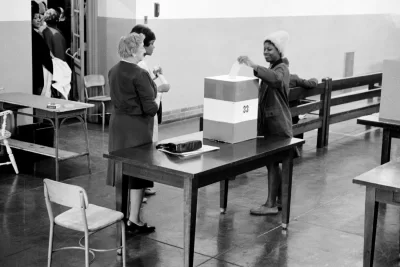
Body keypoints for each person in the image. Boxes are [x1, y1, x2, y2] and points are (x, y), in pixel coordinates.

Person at [106, 32, 162, 233]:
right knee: (138, 172)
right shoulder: (140, 73)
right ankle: (134, 219)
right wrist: (159, 97)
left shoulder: (113, 71)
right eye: (140, 47)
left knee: (122, 170)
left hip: (118, 124)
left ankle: (121, 215)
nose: (143, 50)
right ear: (132, 50)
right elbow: (150, 108)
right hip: (137, 128)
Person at [238, 30, 292, 215]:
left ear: (279, 50)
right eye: (264, 49)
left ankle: (270, 204)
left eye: (270, 49)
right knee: (273, 163)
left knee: (272, 163)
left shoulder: (281, 69)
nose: (266, 52)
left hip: (278, 125)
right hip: (272, 125)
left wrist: (254, 65)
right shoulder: (274, 69)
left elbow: (275, 80)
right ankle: (276, 202)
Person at [130, 24, 170, 198]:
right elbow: (150, 91)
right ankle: (140, 188)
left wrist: (154, 79)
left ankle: (143, 186)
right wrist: (159, 89)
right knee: (145, 150)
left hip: (140, 114)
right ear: (143, 45)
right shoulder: (140, 65)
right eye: (152, 43)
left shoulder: (138, 65)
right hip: (144, 114)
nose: (154, 47)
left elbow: (144, 85)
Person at [31, 1, 53, 96]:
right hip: (38, 73)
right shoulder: (35, 36)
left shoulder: (39, 33)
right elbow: (43, 55)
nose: (39, 19)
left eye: (40, 16)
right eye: (35, 18)